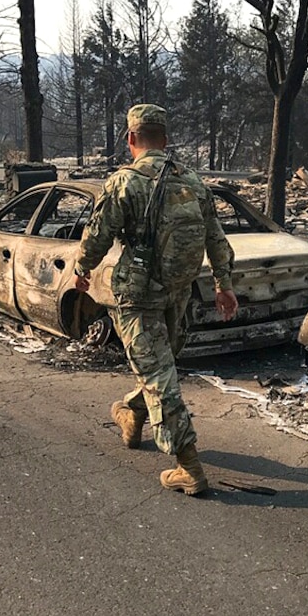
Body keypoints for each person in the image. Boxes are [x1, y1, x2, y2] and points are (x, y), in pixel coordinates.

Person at [73, 104, 238, 496]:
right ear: (164, 140)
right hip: (178, 290)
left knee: (158, 376)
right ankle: (131, 412)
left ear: (132, 139)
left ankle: (189, 467)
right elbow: (216, 237)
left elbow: (98, 234)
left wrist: (82, 268)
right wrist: (223, 284)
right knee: (159, 367)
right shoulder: (193, 181)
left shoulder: (123, 182)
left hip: (138, 293)